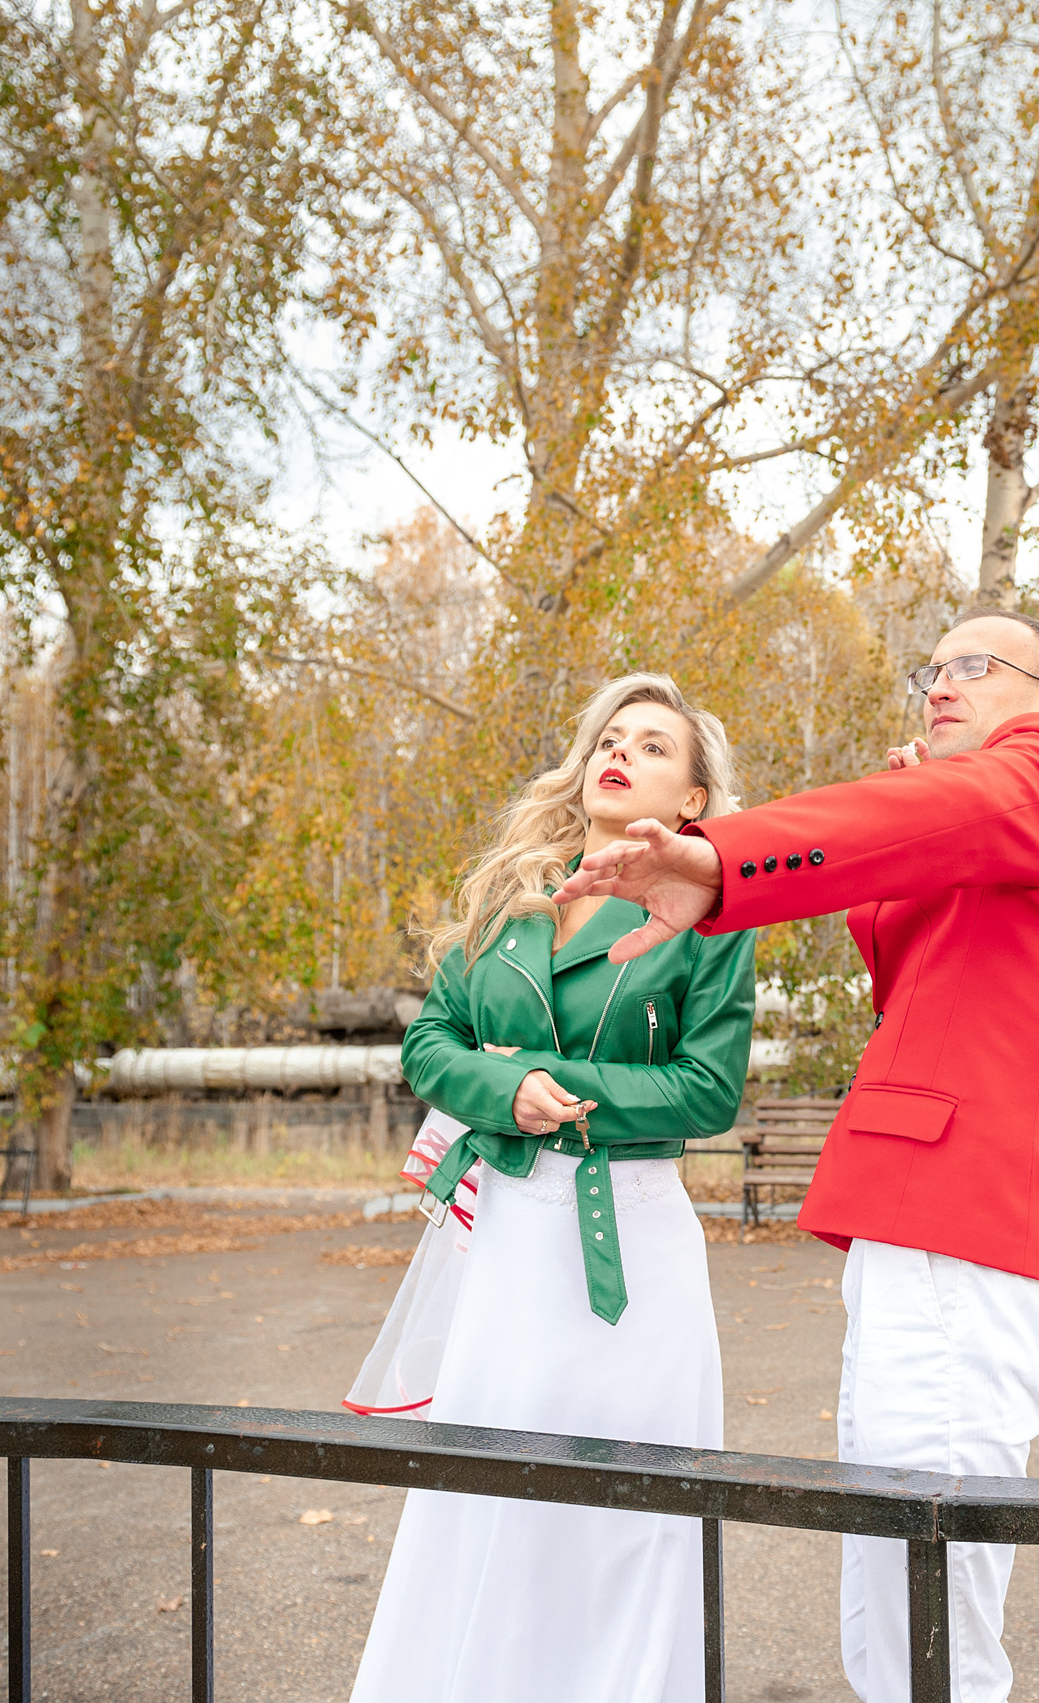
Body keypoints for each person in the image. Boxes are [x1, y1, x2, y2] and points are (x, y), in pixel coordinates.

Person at [556, 609, 1039, 1703]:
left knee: (932, 1585)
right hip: (922, 1227)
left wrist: (718, 859)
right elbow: (923, 935)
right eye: (934, 669)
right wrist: (859, 864)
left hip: (966, 1227)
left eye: (976, 666)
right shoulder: (1000, 824)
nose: (941, 684)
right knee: (887, 1580)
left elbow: (927, 813)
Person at [346, 673, 757, 1703]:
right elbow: (430, 1040)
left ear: (696, 801)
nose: (619, 750)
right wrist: (503, 1087)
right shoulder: (511, 895)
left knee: (626, 1505)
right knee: (488, 1491)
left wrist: (556, 1088)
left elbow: (708, 1089)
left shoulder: (713, 916)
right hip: (509, 1237)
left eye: (654, 744)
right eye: (610, 736)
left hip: (633, 1241)